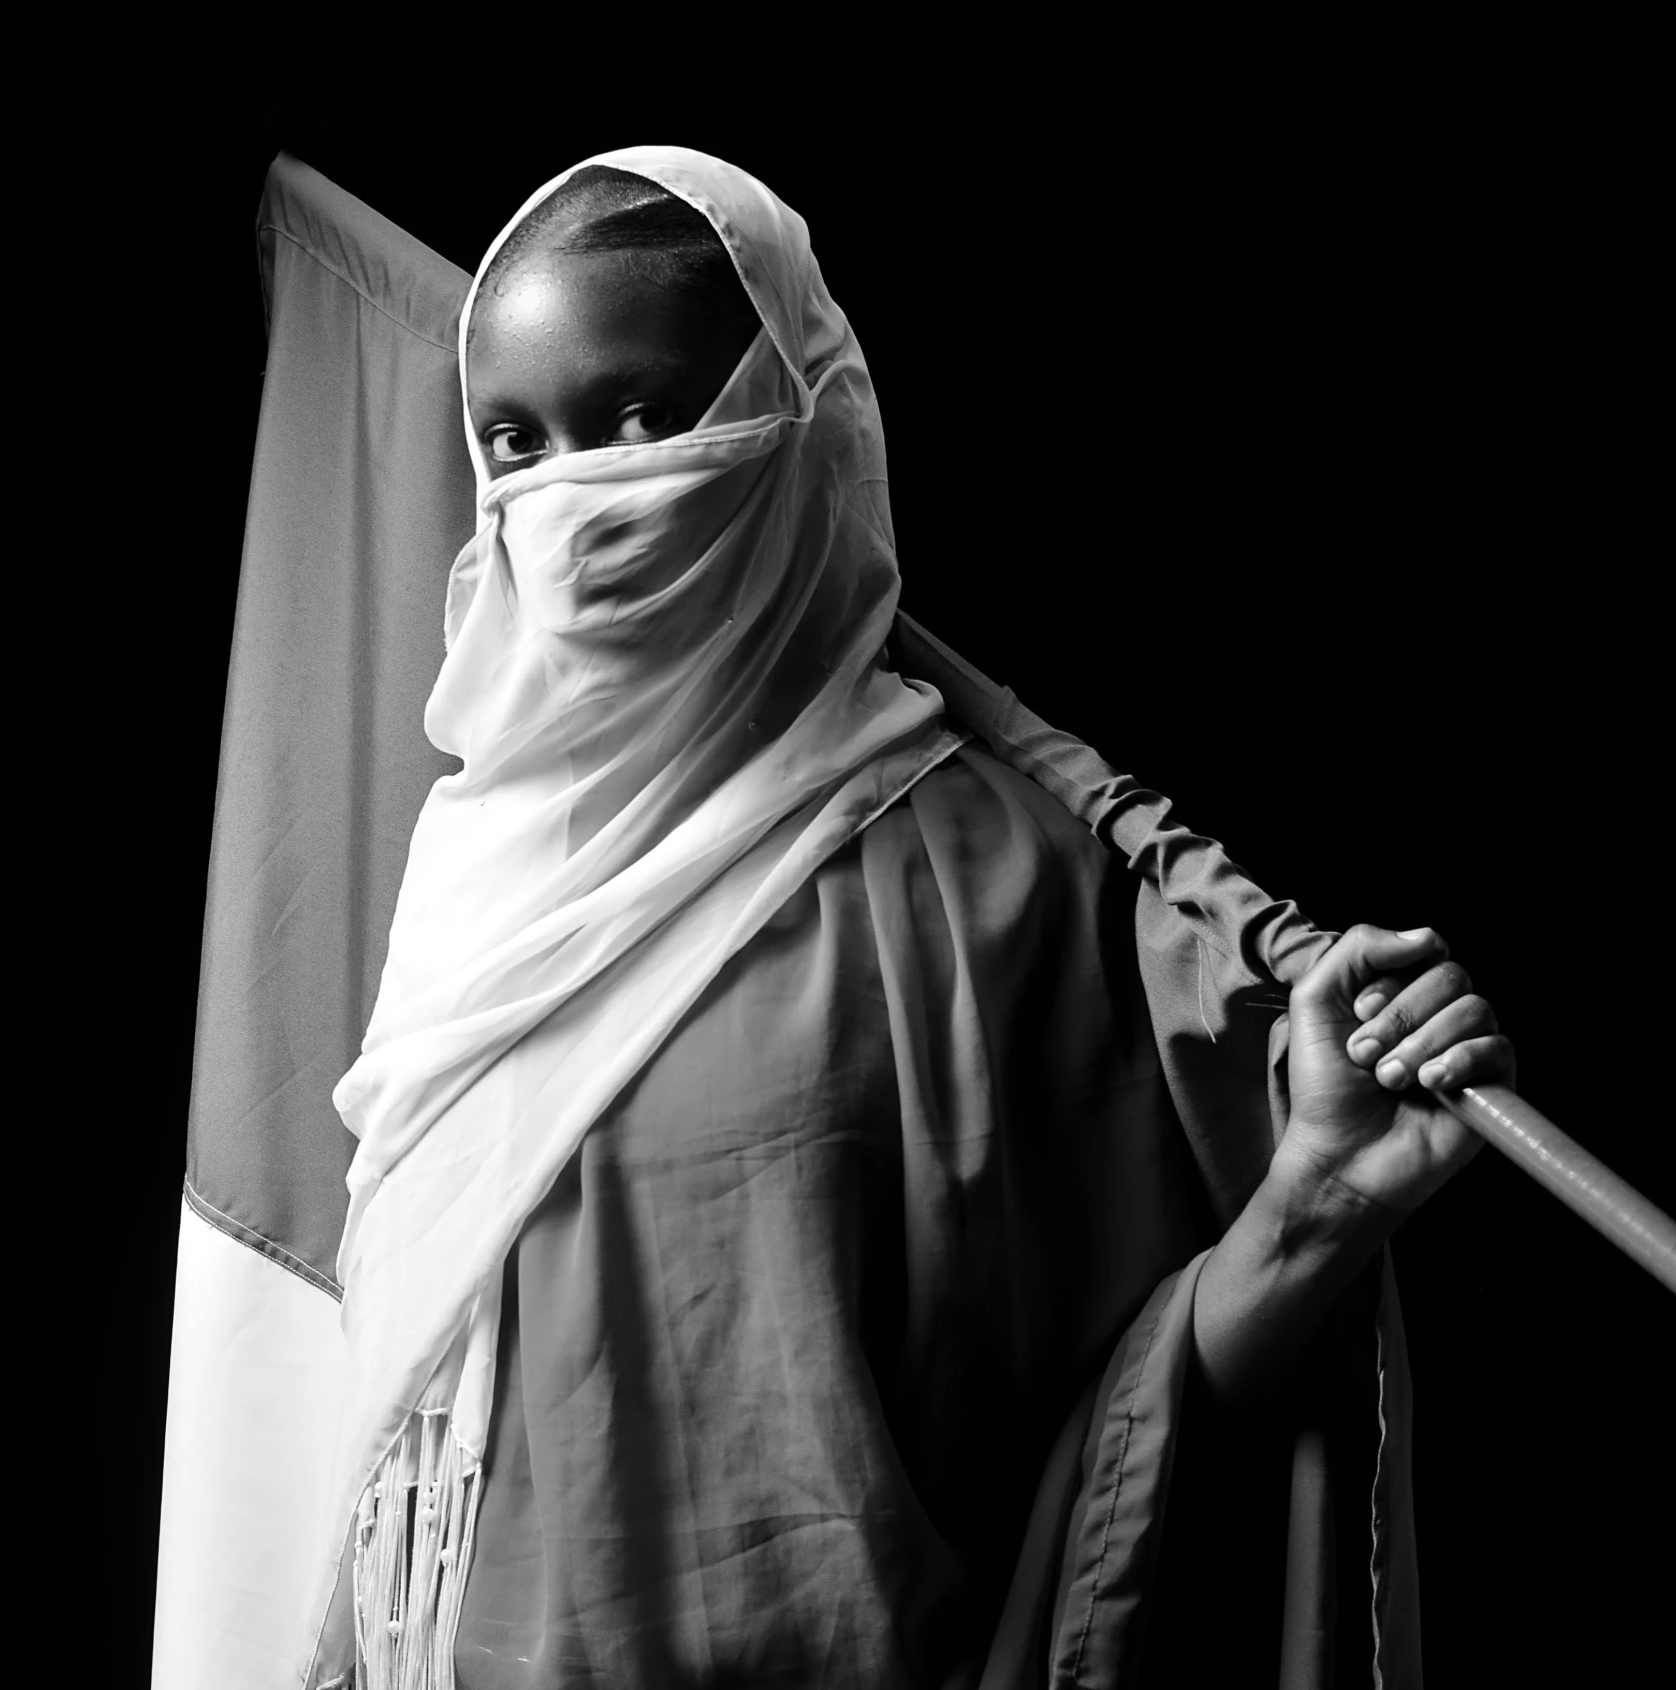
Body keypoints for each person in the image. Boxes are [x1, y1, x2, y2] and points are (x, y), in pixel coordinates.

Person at [298, 150, 1511, 1690]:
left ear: (798, 421)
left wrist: (1315, 1209)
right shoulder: (470, 878)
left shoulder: (990, 873)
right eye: (515, 442)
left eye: (644, 420)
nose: (578, 494)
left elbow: (1109, 1474)